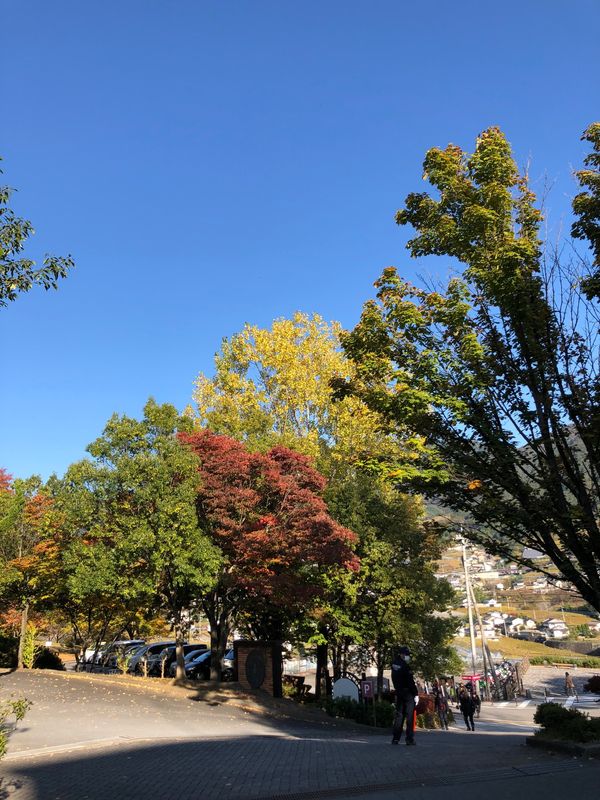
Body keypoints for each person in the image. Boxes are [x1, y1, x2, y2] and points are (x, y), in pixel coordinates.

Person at [391, 646, 419, 746]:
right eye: (407, 654)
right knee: (409, 716)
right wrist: (415, 694)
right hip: (408, 693)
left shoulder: (394, 664)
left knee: (399, 715)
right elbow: (410, 681)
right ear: (402, 654)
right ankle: (409, 739)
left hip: (399, 692)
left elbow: (394, 679)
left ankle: (395, 738)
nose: (408, 656)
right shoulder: (405, 666)